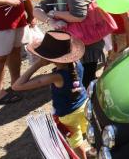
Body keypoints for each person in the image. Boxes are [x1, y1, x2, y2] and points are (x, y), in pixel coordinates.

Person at [12, 31, 89, 159]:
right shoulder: (77, 64)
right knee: (86, 131)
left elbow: (17, 86)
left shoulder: (56, 77)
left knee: (75, 140)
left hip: (68, 114)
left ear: (49, 58)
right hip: (84, 104)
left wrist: (38, 64)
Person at [33, 0, 106, 88]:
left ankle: (89, 103)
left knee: (87, 78)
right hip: (79, 41)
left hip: (87, 44)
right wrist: (51, 21)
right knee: (81, 75)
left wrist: (54, 13)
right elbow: (36, 10)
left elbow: (78, 16)